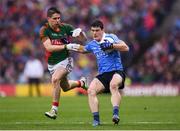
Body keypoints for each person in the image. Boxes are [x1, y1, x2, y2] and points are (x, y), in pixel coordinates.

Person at [65, 20, 129, 126]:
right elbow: (83, 49)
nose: (94, 33)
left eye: (97, 30)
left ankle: (115, 114)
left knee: (113, 85)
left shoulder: (110, 37)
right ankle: (96, 120)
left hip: (116, 71)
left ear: (102, 30)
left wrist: (112, 46)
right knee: (90, 91)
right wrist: (68, 46)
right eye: (93, 30)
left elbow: (125, 47)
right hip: (103, 74)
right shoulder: (93, 44)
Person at [39, 7, 87, 119]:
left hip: (66, 60)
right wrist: (66, 46)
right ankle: (81, 83)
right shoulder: (44, 30)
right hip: (52, 64)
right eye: (54, 19)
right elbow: (49, 48)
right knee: (65, 87)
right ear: (48, 19)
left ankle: (54, 110)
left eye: (59, 18)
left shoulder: (65, 27)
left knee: (55, 79)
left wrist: (80, 33)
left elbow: (83, 40)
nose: (57, 21)